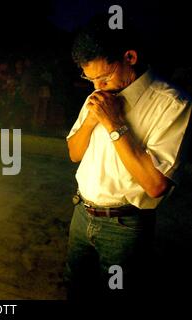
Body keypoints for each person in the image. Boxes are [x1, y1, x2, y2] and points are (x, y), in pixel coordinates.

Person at [65, 16, 192, 299]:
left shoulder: (171, 104)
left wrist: (114, 125)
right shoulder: (96, 98)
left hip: (125, 227)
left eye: (104, 77)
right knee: (76, 288)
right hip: (81, 215)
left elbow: (155, 185)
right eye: (90, 78)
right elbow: (74, 153)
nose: (97, 86)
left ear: (129, 57)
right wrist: (90, 120)